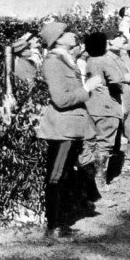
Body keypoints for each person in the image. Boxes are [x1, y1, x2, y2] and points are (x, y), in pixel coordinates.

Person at [38, 22, 103, 240]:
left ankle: (61, 222)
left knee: (64, 176)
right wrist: (87, 88)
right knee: (56, 177)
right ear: (57, 39)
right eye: (66, 33)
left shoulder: (66, 60)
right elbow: (61, 99)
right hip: (62, 130)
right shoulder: (54, 62)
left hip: (72, 128)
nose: (72, 34)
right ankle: (53, 226)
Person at [82, 32, 124, 191]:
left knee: (91, 142)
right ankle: (100, 182)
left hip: (91, 105)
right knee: (104, 144)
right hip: (106, 106)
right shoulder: (105, 61)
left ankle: (89, 182)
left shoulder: (89, 60)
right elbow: (116, 81)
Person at [105, 33, 130, 171]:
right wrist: (123, 77)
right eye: (119, 37)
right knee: (115, 131)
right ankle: (113, 166)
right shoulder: (105, 58)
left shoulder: (123, 54)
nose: (123, 40)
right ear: (109, 41)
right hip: (118, 98)